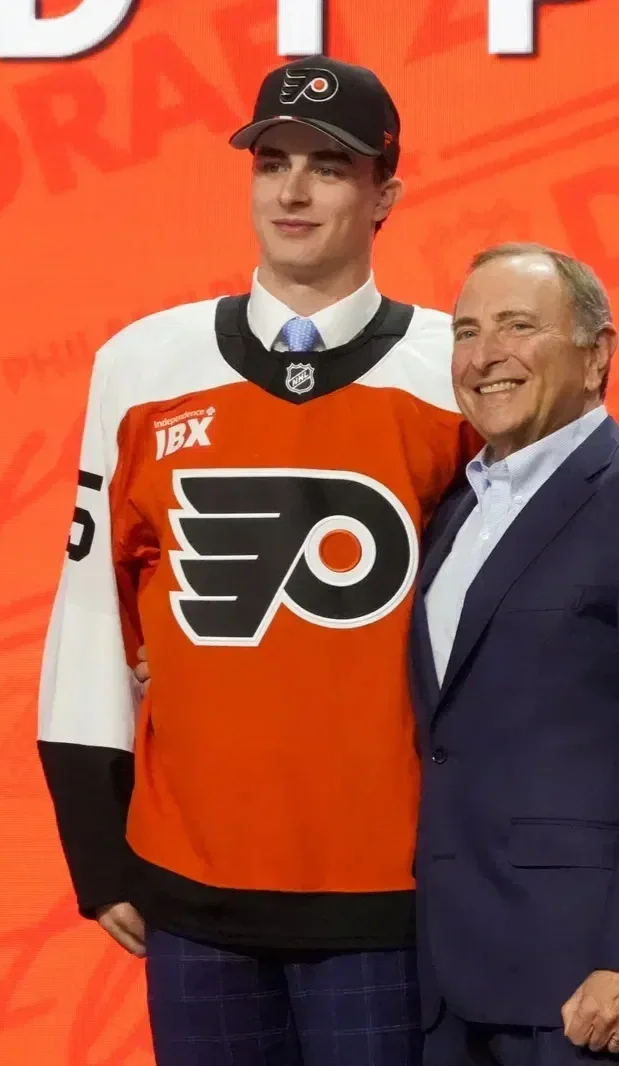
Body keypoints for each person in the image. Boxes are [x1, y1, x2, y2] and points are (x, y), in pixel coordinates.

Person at [37, 55, 478, 1066]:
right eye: (270, 161)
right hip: (191, 892)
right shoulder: (140, 365)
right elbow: (93, 604)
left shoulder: (453, 375)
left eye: (328, 166)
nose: (291, 190)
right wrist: (97, 845)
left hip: (391, 893)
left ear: (385, 196)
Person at [408, 243, 619, 1066]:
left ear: (595, 356)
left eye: (518, 326)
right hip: (445, 986)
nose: (484, 354)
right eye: (466, 330)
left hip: (586, 987)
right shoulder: (450, 507)